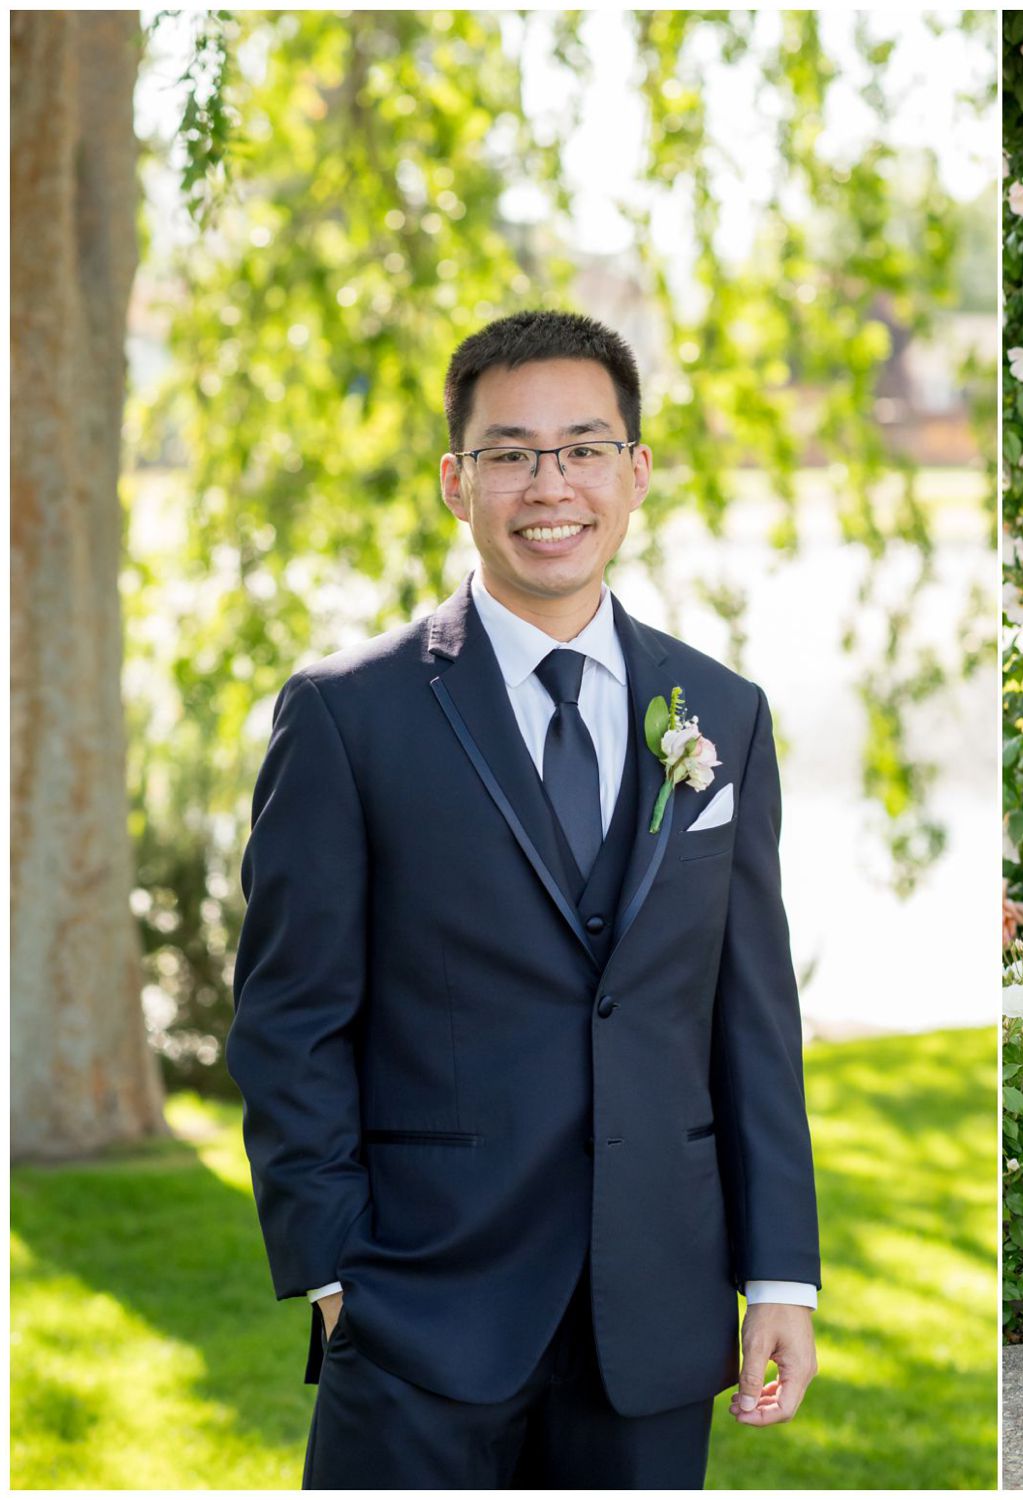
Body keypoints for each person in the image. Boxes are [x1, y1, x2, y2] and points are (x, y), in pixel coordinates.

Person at [227, 309, 821, 1487]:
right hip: (417, 1313)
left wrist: (780, 1276)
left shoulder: (723, 713)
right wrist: (337, 1276)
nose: (551, 484)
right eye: (511, 453)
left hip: (653, 1313)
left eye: (585, 447)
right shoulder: (349, 715)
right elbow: (288, 1021)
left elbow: (749, 1018)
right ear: (457, 482)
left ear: (636, 473)